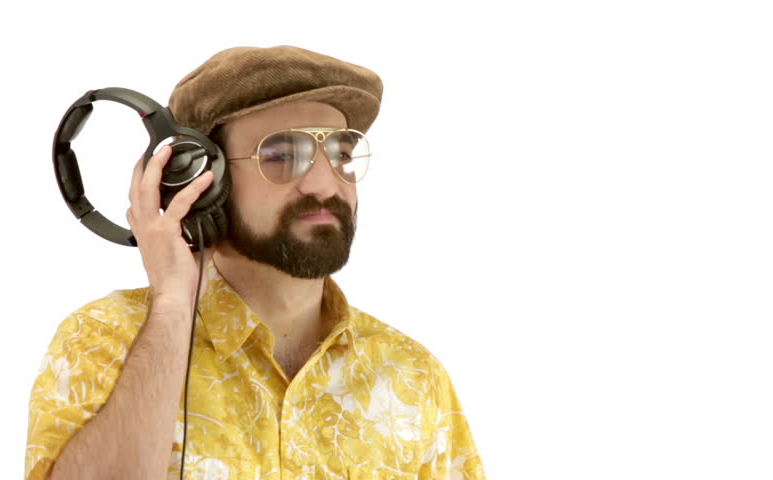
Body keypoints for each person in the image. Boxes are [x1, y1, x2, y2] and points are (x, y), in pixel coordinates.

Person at [25, 46, 486, 480]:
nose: (326, 184)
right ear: (201, 182)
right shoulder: (104, 339)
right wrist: (171, 306)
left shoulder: (413, 374)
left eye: (341, 154)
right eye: (283, 155)